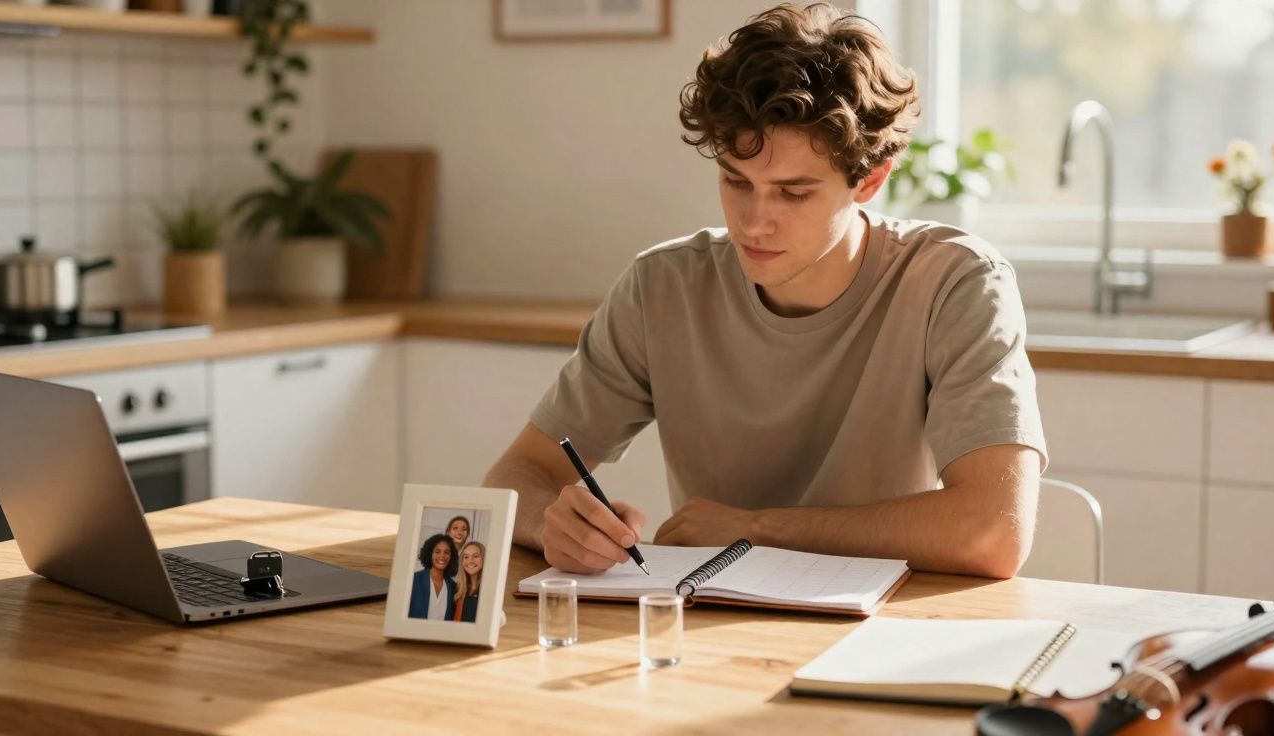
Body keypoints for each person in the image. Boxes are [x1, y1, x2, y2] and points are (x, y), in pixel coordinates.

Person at [483, 3, 1047, 580]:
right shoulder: (664, 287)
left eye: (793, 193)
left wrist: (756, 529)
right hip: (704, 621)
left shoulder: (955, 282)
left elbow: (993, 531)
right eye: (735, 181)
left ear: (870, 182)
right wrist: (551, 522)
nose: (753, 222)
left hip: (883, 628)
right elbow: (518, 474)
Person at [408, 533, 458, 621]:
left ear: (451, 557)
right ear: (430, 554)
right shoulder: (413, 580)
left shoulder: (454, 587)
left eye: (446, 552)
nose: (442, 556)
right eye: (437, 552)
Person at [453, 541, 486, 623]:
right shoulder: (457, 589)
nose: (470, 560)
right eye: (466, 557)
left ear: (484, 559)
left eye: (475, 556)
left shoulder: (489, 590)